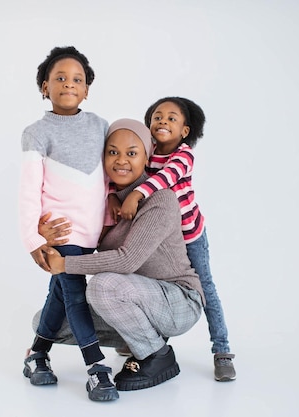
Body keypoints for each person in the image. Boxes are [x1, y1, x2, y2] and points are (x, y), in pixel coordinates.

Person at [42, 118, 205, 392]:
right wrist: (47, 235)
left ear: (146, 157)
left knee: (103, 285)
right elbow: (79, 243)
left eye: (132, 153)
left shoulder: (160, 200)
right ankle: (135, 339)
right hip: (135, 300)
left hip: (180, 300)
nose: (121, 160)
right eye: (113, 152)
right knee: (46, 322)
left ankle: (157, 355)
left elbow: (127, 260)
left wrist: (66, 264)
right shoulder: (104, 202)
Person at [109, 96, 236, 381]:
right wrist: (111, 198)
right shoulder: (146, 149)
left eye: (171, 118)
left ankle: (222, 350)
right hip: (159, 236)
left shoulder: (183, 154)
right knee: (154, 284)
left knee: (205, 288)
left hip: (189, 235)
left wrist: (136, 195)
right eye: (157, 116)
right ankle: (142, 338)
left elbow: (164, 178)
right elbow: (121, 170)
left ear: (185, 131)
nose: (162, 121)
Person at [17, 46, 118, 402]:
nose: (68, 84)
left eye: (77, 79)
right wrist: (33, 239)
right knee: (74, 291)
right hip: (59, 230)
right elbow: (29, 192)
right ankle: (96, 367)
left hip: (92, 230)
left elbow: (106, 182)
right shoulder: (36, 132)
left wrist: (108, 223)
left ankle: (37, 354)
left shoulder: (100, 126)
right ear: (45, 87)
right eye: (59, 78)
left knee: (58, 294)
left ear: (87, 89)